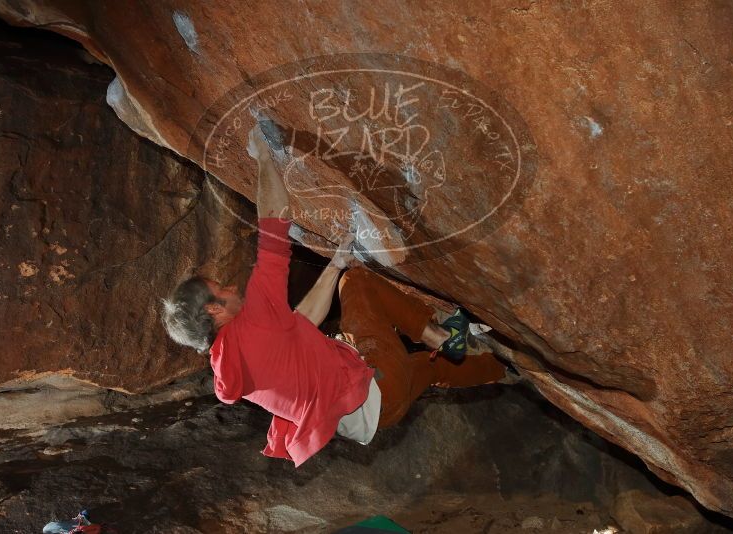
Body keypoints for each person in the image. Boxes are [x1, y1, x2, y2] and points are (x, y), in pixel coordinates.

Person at [161, 123, 506, 466]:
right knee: (359, 284)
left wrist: (334, 264)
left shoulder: (229, 363)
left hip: (371, 417)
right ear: (213, 311)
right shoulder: (252, 324)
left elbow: (301, 324)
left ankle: (499, 368)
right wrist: (264, 155)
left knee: (428, 371)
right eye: (221, 290)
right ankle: (443, 335)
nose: (232, 288)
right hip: (376, 388)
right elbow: (274, 222)